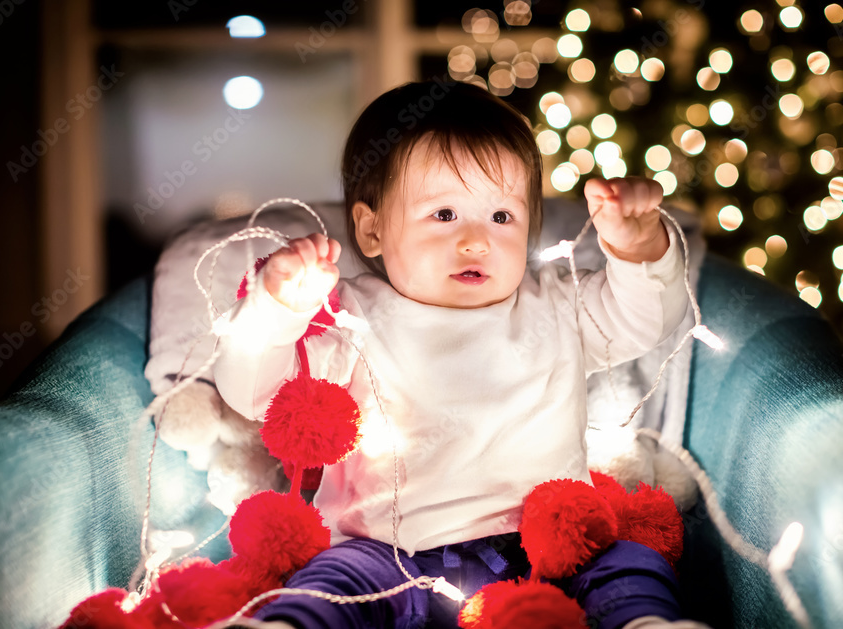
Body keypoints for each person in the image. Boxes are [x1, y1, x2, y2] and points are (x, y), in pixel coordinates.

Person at [213, 80, 702, 629]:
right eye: (443, 215)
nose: (476, 241)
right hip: (384, 552)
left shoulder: (558, 307)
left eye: (501, 217)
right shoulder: (351, 316)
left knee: (625, 565)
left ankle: (646, 622)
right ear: (372, 230)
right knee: (331, 584)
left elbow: (646, 320)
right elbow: (256, 394)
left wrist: (638, 247)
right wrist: (277, 310)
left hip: (545, 548)